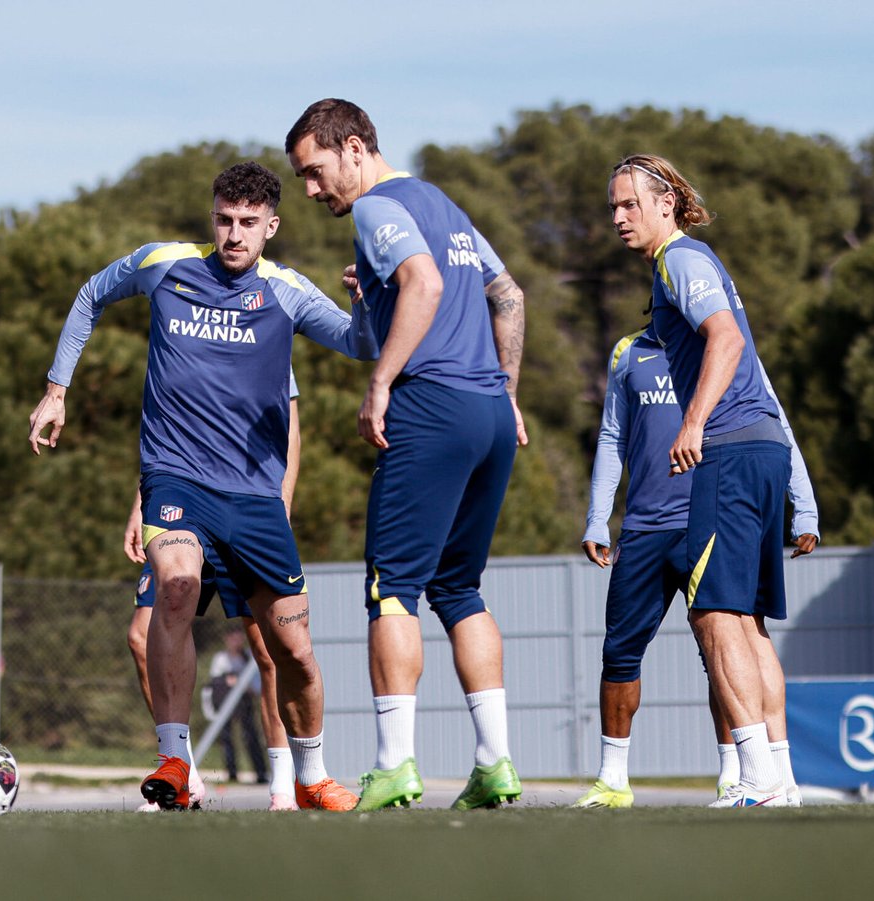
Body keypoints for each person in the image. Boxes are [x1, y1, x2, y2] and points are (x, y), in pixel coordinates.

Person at [29, 161, 374, 811]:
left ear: (272, 226)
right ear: (210, 214)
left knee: (292, 650)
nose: (234, 234)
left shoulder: (287, 290)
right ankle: (175, 757)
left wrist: (366, 301)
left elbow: (356, 344)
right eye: (224, 219)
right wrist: (56, 389)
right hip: (175, 476)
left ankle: (311, 774)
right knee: (177, 589)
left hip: (254, 496)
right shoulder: (165, 264)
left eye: (248, 223)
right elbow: (90, 296)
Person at [286, 99, 530, 811]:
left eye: (315, 170)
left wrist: (381, 382)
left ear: (354, 147)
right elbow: (506, 292)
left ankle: (395, 763)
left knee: (392, 587)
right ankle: (496, 763)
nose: (311, 190)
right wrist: (507, 391)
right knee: (460, 588)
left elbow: (423, 284)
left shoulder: (377, 207)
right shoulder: (442, 202)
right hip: (488, 413)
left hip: (432, 407)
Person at [607, 153, 800, 808]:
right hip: (763, 446)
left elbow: (725, 340)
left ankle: (758, 779)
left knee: (713, 610)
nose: (618, 217)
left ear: (668, 202)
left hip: (731, 449)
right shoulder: (695, 261)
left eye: (630, 204)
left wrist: (692, 423)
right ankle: (781, 775)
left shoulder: (679, 260)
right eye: (613, 207)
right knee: (743, 619)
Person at [574, 329, 820, 808]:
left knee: (727, 648)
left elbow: (776, 422)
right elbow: (611, 435)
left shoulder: (727, 343)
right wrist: (597, 517)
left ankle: (736, 774)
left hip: (713, 519)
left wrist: (804, 507)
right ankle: (612, 780)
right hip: (645, 527)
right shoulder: (629, 352)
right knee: (620, 651)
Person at [124, 388, 305, 812]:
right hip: (182, 501)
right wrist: (141, 502)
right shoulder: (186, 324)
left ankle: (283, 786)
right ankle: (180, 771)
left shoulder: (270, 325)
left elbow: (290, 429)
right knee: (141, 633)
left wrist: (283, 505)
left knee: (267, 647)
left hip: (246, 503)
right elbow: (165, 424)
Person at [207, 627, 269, 786]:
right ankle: (232, 772)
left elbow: (255, 686)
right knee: (227, 738)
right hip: (225, 703)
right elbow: (214, 683)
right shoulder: (220, 659)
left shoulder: (248, 657)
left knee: (251, 737)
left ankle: (260, 772)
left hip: (244, 703)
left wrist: (241, 684)